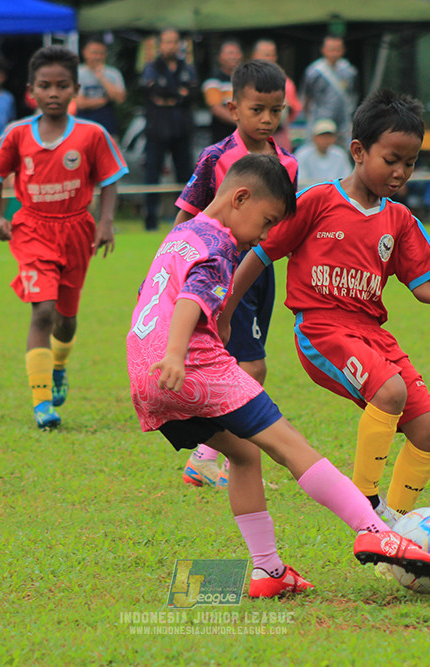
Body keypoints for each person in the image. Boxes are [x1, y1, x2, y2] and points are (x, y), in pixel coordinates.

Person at [127, 153, 430, 597]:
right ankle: (372, 528)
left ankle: (269, 573)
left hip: (145, 375)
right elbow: (189, 302)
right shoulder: (220, 246)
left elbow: (152, 294)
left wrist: (168, 355)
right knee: (291, 448)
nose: (267, 235)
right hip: (191, 367)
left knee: (243, 454)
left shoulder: (182, 234)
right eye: (267, 221)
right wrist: (179, 353)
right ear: (240, 198)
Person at [221, 90, 430, 533]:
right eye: (392, 159)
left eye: (409, 163)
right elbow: (260, 253)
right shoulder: (316, 202)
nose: (400, 172)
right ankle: (368, 510)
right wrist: (226, 308)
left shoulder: (400, 220)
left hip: (371, 332)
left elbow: (424, 286)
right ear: (358, 150)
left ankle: (402, 527)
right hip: (321, 329)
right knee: (389, 393)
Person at [0, 45, 128, 429]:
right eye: (45, 86)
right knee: (42, 311)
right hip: (31, 229)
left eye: (62, 86)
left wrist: (106, 221)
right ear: (31, 91)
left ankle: (59, 365)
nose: (53, 93)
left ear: (75, 89)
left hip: (77, 229)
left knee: (66, 319)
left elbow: (110, 179)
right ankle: (42, 402)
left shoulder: (91, 134)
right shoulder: (17, 134)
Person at [173, 59, 297, 487]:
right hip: (222, 273)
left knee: (243, 363)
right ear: (233, 107)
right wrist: (169, 267)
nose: (266, 119)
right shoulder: (217, 156)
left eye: (275, 110)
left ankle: (213, 455)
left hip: (262, 273)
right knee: (251, 366)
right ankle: (211, 455)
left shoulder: (287, 163)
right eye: (257, 109)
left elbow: (283, 227)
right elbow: (186, 216)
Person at [140, 29, 198, 231]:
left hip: (181, 129)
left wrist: (170, 97)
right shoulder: (151, 67)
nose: (171, 46)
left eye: (174, 42)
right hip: (157, 129)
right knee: (152, 175)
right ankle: (150, 220)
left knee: (185, 177)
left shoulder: (187, 68)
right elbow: (153, 91)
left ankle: (183, 221)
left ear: (179, 45)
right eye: (167, 42)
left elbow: (192, 94)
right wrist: (177, 94)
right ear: (159, 45)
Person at [300, 35, 357, 147]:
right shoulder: (314, 72)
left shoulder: (349, 71)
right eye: (331, 49)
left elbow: (353, 95)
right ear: (323, 50)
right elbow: (306, 97)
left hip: (342, 122)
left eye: (337, 49)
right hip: (320, 120)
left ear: (343, 50)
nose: (334, 53)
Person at [251, 39, 301, 152]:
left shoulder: (285, 82)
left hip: (279, 139)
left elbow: (294, 110)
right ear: (255, 56)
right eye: (266, 55)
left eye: (273, 55)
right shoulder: (246, 82)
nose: (270, 59)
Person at [76, 38, 127, 140]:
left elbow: (120, 99)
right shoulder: (78, 73)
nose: (97, 57)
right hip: (83, 122)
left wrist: (102, 77)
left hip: (108, 124)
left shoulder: (113, 73)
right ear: (85, 53)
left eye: (101, 53)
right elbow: (80, 103)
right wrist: (105, 100)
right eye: (94, 53)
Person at [202, 39, 243, 144]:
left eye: (236, 53)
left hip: (245, 139)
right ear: (219, 58)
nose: (233, 57)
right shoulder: (213, 80)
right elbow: (216, 109)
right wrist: (242, 123)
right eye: (229, 53)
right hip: (223, 138)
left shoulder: (247, 79)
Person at [295, 119, 352, 187]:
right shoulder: (302, 154)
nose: (325, 139)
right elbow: (300, 181)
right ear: (314, 137)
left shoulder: (340, 154)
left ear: (334, 138)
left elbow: (346, 178)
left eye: (328, 136)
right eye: (322, 136)